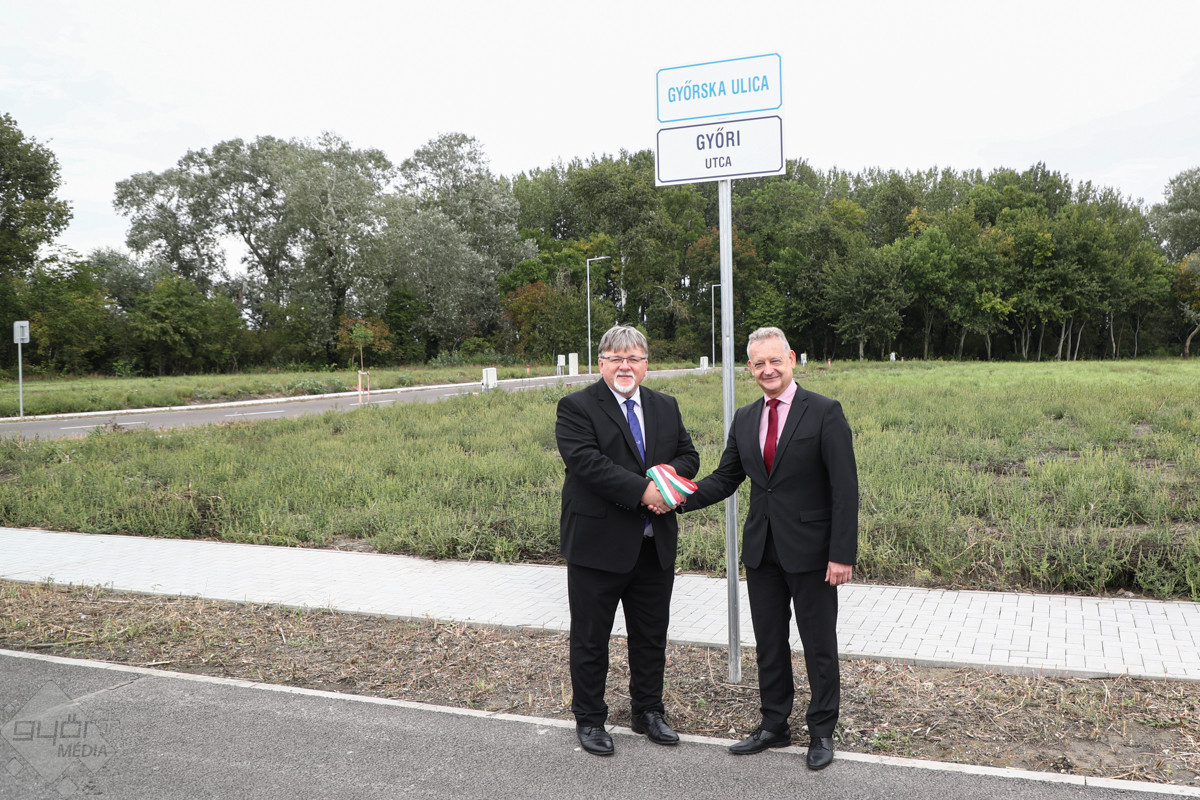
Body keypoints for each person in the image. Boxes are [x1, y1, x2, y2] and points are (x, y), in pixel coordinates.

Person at [679, 326, 858, 770]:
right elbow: (726, 478)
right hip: (762, 551)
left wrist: (842, 554)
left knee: (819, 645)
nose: (768, 370)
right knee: (769, 643)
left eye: (775, 361)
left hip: (814, 553)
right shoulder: (745, 418)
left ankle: (821, 730)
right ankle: (774, 724)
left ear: (791, 360)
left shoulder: (825, 412)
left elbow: (845, 489)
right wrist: (676, 498)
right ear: (749, 368)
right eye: (759, 364)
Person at [555, 325, 699, 757]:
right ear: (601, 363)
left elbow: (689, 456)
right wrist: (645, 492)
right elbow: (587, 463)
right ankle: (590, 719)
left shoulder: (665, 406)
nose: (625, 366)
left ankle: (648, 712)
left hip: (653, 545)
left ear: (646, 365)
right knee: (591, 639)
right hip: (596, 547)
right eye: (616, 358)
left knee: (651, 637)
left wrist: (665, 483)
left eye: (633, 358)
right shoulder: (576, 407)